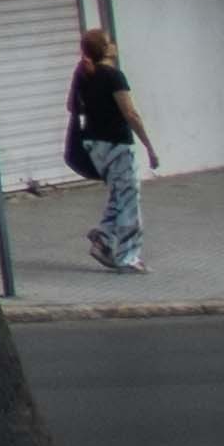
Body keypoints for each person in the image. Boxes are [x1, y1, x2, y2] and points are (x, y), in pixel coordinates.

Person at [69, 26, 156, 273]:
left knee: (119, 194)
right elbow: (130, 113)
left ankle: (102, 240)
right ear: (105, 49)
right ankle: (128, 257)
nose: (114, 44)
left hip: (94, 144)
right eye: (109, 41)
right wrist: (150, 147)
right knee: (129, 200)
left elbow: (71, 106)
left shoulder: (84, 74)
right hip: (117, 145)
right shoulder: (113, 76)